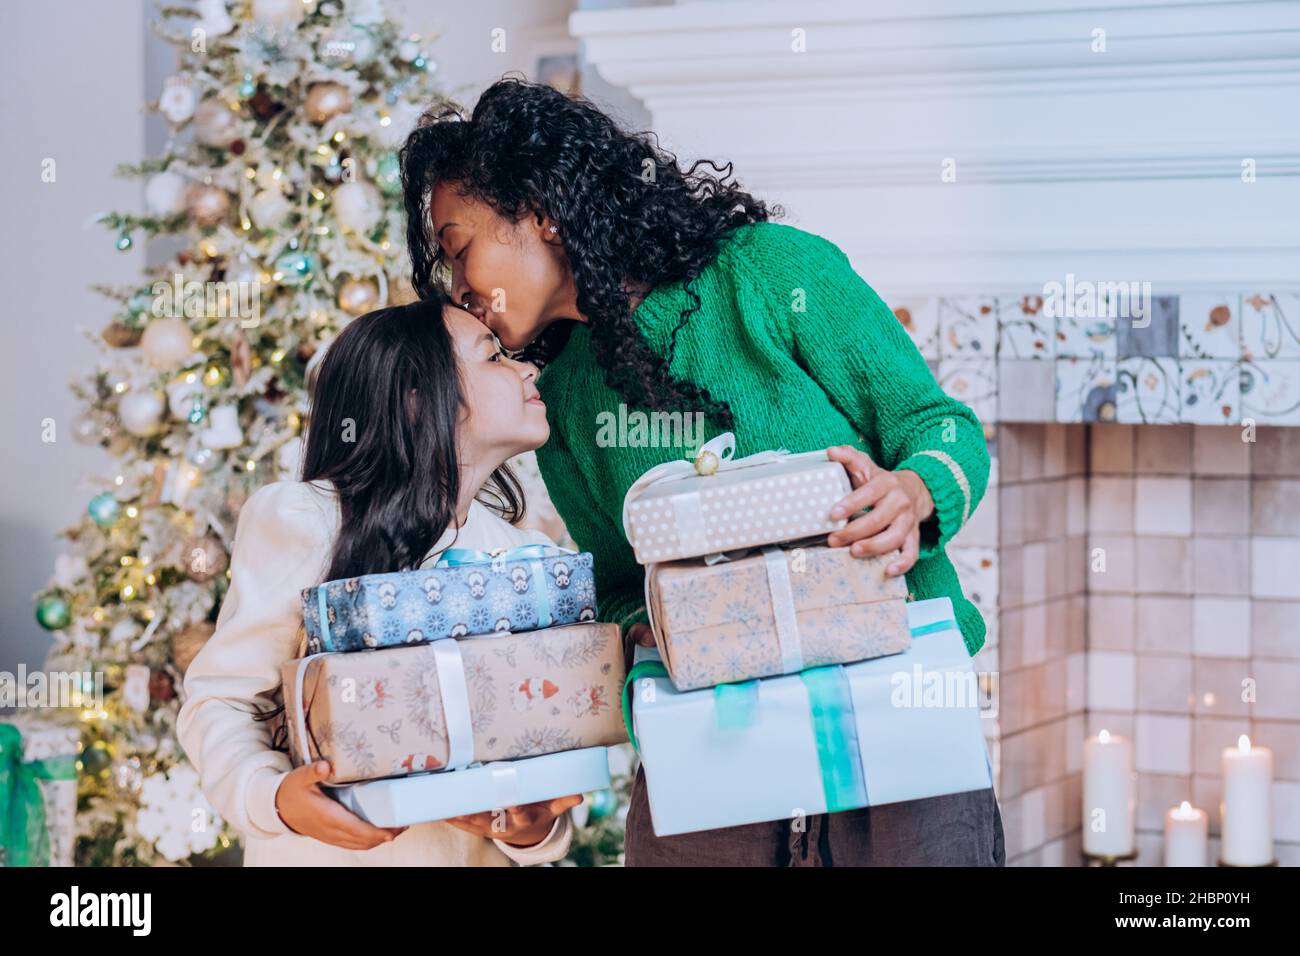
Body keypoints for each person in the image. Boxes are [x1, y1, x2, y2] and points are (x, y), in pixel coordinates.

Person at [397, 78, 1005, 866]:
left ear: (540, 209)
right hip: (715, 761)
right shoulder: (567, 400)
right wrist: (658, 629)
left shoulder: (770, 275)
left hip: (900, 730)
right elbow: (616, 585)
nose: (457, 288)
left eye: (459, 248)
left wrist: (916, 494)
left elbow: (940, 427)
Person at [176, 293, 579, 866]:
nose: (528, 368)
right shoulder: (306, 520)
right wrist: (276, 799)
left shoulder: (529, 561)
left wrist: (532, 830)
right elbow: (223, 702)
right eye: (493, 357)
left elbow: (548, 758)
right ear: (416, 398)